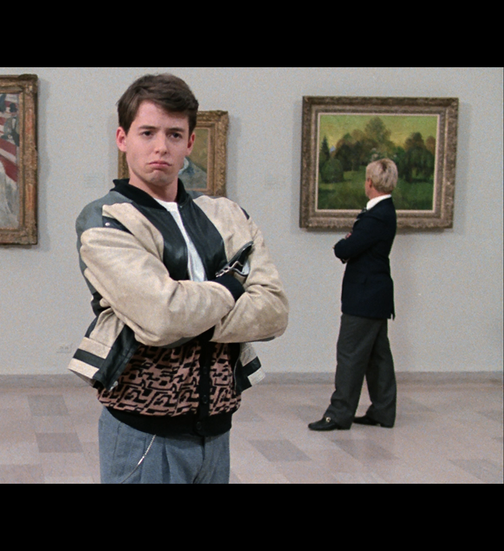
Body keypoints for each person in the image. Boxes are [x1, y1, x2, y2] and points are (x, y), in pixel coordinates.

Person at [69, 74, 289, 483]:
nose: (161, 147)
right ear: (122, 138)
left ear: (190, 142)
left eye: (174, 134)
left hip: (217, 428)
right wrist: (231, 286)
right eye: (147, 132)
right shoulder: (105, 219)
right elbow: (162, 315)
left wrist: (188, 309)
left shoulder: (228, 215)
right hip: (144, 432)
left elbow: (273, 310)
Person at [309, 159, 398, 431]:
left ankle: (338, 414)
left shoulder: (376, 215)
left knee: (349, 355)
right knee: (377, 357)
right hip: (376, 295)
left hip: (365, 297)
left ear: (370, 182)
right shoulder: (383, 211)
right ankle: (383, 411)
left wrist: (345, 242)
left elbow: (345, 249)